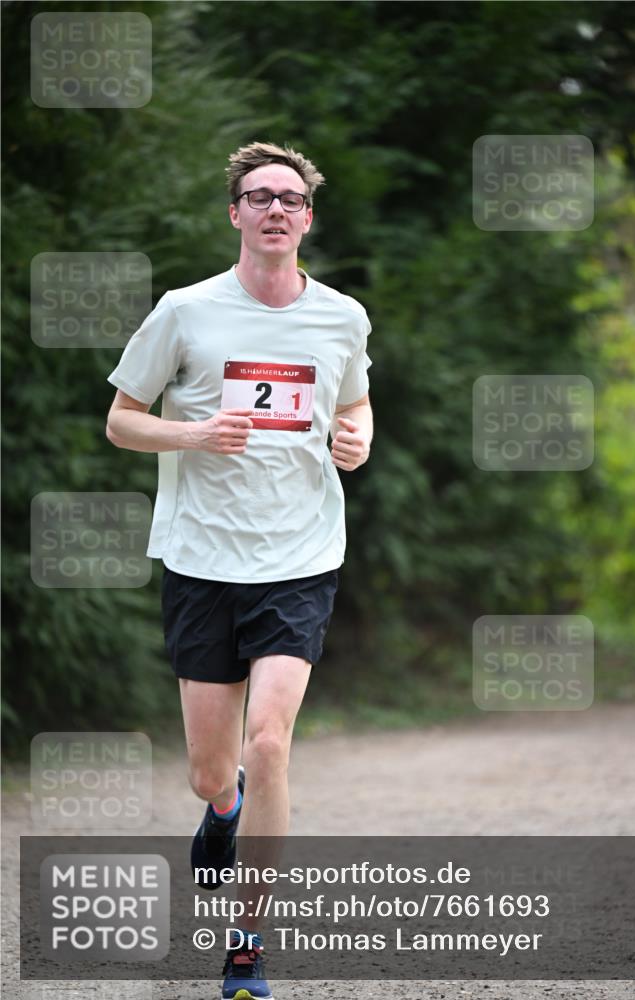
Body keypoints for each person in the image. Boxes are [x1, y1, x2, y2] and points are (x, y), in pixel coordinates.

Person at [105, 141, 373, 1000]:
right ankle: (223, 807)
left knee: (270, 741)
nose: (275, 209)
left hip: (300, 556)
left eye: (289, 198)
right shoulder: (185, 311)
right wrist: (194, 433)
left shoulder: (341, 317)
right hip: (202, 558)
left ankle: (248, 943)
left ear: (307, 218)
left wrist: (358, 438)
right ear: (235, 214)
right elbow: (121, 420)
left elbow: (355, 402)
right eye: (259, 197)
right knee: (210, 769)